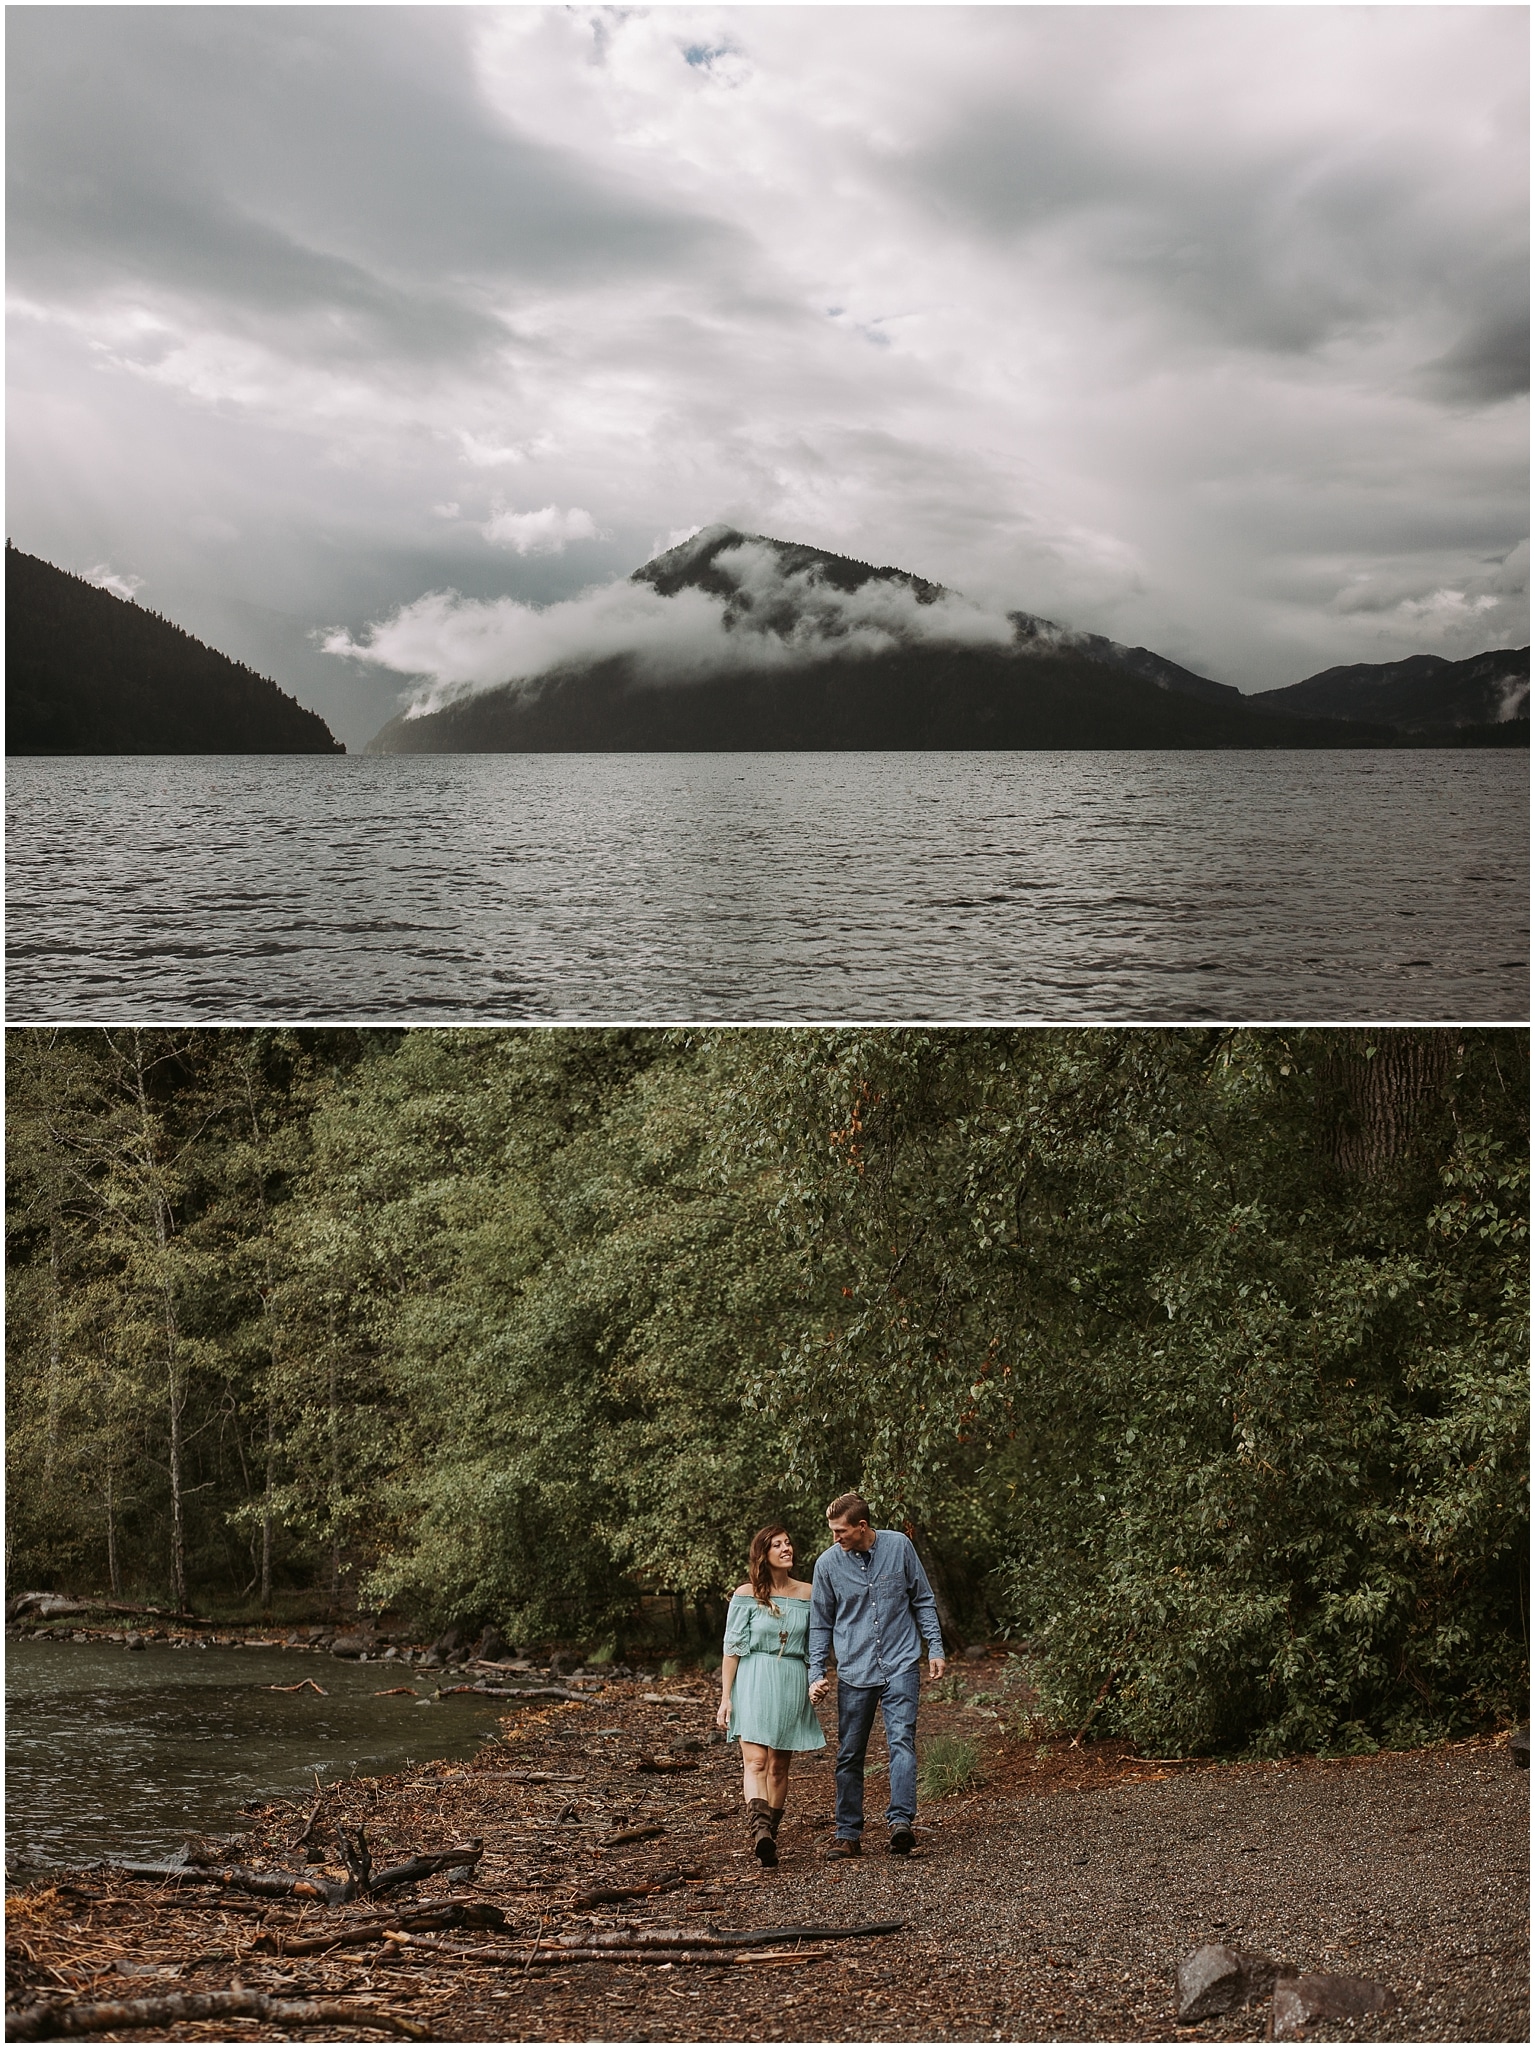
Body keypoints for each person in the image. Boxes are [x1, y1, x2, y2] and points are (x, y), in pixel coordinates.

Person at [808, 1491, 946, 1858]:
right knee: (850, 1753)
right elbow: (820, 1624)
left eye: (841, 1531)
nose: (835, 1538)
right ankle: (848, 1833)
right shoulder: (827, 1565)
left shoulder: (899, 1547)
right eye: (833, 1531)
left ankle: (901, 1822)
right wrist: (815, 1672)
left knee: (901, 1741)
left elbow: (922, 1599)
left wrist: (935, 1646)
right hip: (854, 1669)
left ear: (862, 1526)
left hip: (900, 1662)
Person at [716, 1523, 826, 1866]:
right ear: (763, 1554)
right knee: (757, 1761)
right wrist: (725, 1697)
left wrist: (817, 1680)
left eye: (788, 1543)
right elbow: (732, 1648)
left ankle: (770, 1838)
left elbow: (818, 1644)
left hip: (791, 1678)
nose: (785, 1549)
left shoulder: (809, 1593)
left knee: (778, 1767)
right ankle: (759, 1831)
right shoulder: (746, 1593)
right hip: (753, 1677)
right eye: (777, 1545)